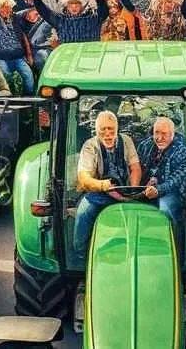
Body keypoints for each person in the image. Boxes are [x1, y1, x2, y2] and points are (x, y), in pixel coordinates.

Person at [74, 110, 140, 265]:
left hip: (126, 190)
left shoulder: (126, 141)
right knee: (84, 212)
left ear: (117, 129)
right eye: (103, 130)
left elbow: (135, 167)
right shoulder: (90, 146)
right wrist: (104, 185)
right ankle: (80, 257)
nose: (107, 134)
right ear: (97, 131)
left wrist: (132, 190)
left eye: (111, 129)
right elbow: (84, 179)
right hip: (100, 192)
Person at [137, 117, 186, 255]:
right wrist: (144, 182)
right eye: (157, 133)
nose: (159, 138)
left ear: (172, 134)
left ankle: (175, 252)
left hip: (174, 193)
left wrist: (158, 189)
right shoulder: (145, 146)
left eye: (164, 134)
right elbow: (136, 167)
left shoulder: (183, 151)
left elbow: (175, 180)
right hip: (146, 190)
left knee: (164, 208)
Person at [33, 0, 109, 43]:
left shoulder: (92, 19)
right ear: (67, 6)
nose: (74, 6)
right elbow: (45, 13)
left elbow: (104, 12)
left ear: (82, 5)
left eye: (77, 3)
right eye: (70, 4)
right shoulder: (60, 21)